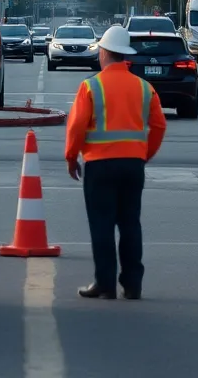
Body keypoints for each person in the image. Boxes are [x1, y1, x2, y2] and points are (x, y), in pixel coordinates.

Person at [64, 25, 167, 300]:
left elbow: (76, 127)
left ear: (105, 53)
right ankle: (133, 285)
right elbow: (158, 125)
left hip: (100, 166)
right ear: (125, 56)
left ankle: (105, 283)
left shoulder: (91, 86)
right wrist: (143, 155)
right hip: (133, 166)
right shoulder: (144, 87)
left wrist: (71, 157)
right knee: (130, 224)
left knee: (102, 225)